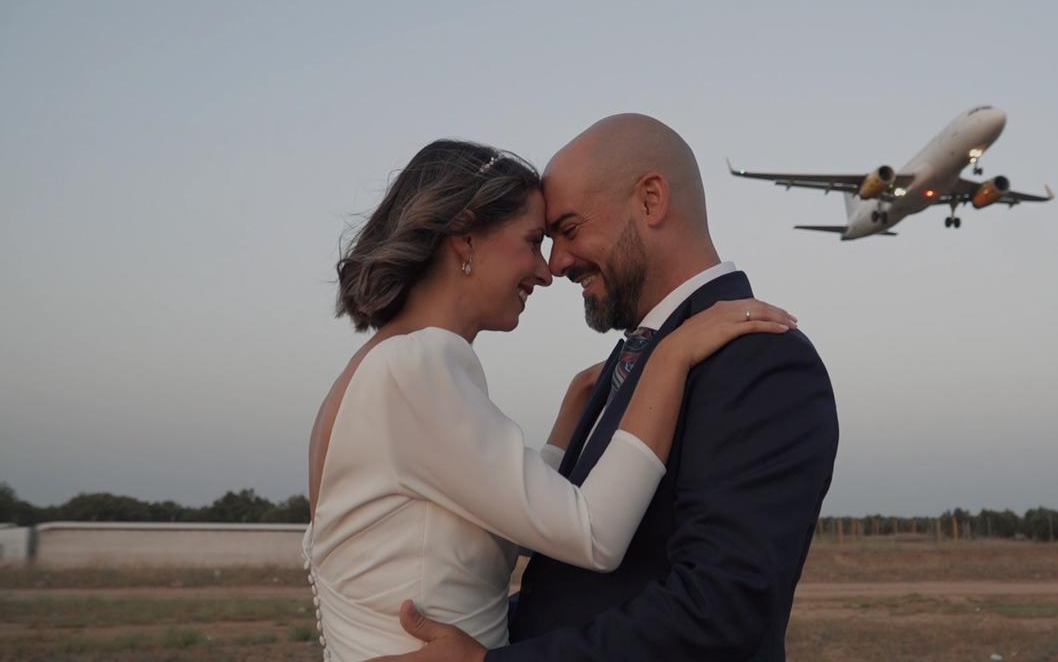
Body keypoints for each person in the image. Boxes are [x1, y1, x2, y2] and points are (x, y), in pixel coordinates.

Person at [304, 139, 794, 660]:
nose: (546, 270)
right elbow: (594, 535)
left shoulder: (381, 365)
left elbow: (518, 525)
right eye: (534, 239)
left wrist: (566, 423)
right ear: (464, 238)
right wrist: (669, 358)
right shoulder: (418, 366)